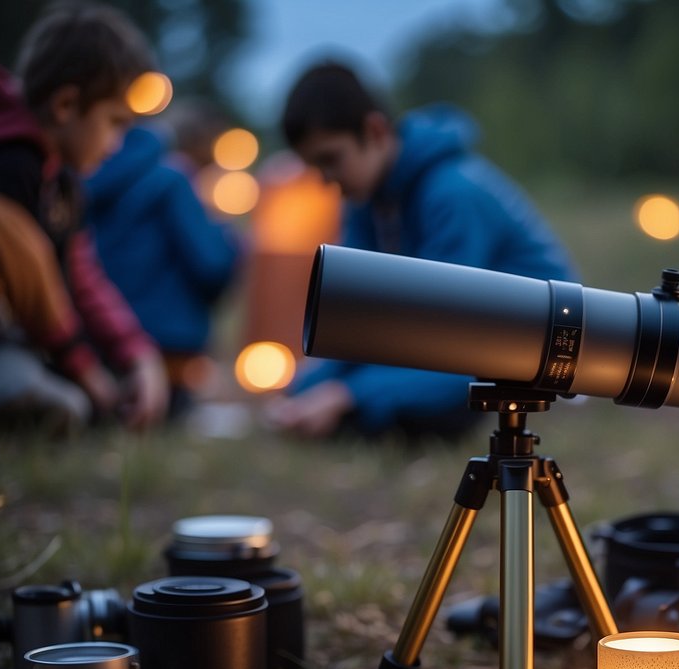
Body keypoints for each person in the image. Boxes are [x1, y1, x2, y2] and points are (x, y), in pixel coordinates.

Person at [265, 60, 578, 439]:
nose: (327, 180)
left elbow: (447, 339)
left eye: (331, 159)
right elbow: (359, 318)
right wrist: (302, 388)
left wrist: (345, 395)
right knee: (327, 398)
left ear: (375, 130)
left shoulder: (452, 192)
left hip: (532, 349)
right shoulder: (367, 201)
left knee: (403, 404)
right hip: (456, 339)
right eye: (316, 167)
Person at [0, 2, 168, 432]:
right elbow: (33, 269)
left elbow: (79, 274)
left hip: (23, 345)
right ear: (65, 105)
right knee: (34, 390)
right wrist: (84, 366)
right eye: (115, 123)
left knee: (68, 401)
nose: (117, 144)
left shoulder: (60, 180)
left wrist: (137, 352)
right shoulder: (1, 167)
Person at [86, 122, 242, 417]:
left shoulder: (87, 172)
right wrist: (229, 239)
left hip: (101, 341)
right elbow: (213, 266)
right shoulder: (172, 181)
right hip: (167, 351)